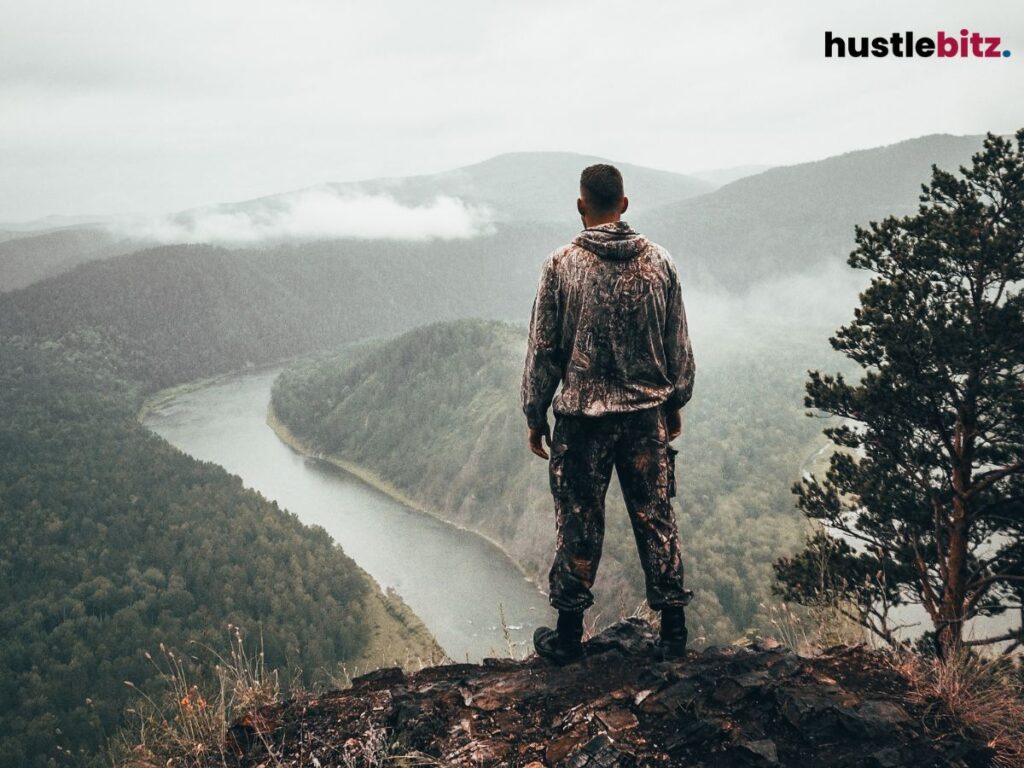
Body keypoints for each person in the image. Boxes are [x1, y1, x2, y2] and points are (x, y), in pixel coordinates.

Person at [521, 163, 696, 664]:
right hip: (645, 417)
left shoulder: (560, 266)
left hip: (581, 420)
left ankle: (569, 637)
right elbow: (677, 343)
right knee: (656, 518)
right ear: (624, 204)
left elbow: (543, 350)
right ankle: (674, 634)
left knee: (578, 522)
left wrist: (535, 415)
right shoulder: (660, 262)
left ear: (581, 206)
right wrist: (674, 402)